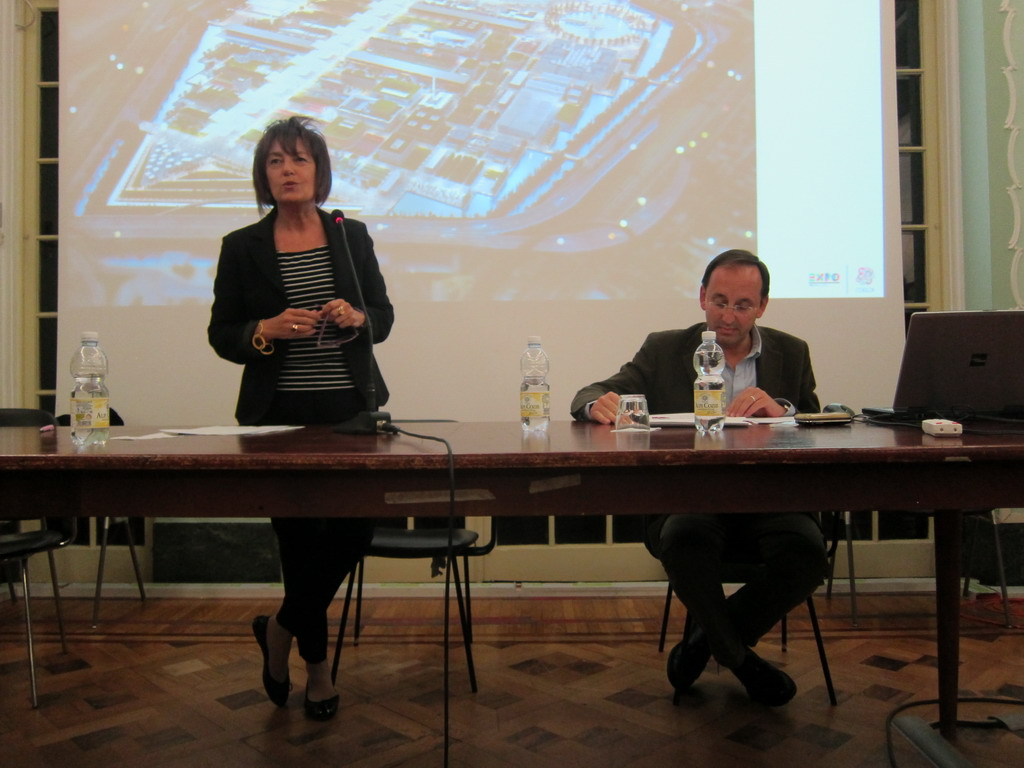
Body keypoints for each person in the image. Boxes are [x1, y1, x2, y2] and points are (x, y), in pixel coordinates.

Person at [570, 249, 827, 707]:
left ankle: (701, 645)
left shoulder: (792, 351)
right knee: (683, 538)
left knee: (808, 554)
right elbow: (592, 392)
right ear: (703, 296)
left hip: (769, 501)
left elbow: (816, 421)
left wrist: (783, 411)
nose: (728, 316)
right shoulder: (665, 348)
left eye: (742, 306)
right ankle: (739, 660)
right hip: (692, 499)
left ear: (763, 306)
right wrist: (596, 405)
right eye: (719, 302)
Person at [208, 115, 394, 721]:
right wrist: (264, 329)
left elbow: (383, 316)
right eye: (275, 161)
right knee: (299, 544)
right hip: (278, 416)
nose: (287, 170)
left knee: (354, 531)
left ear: (319, 171)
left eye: (299, 159)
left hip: (349, 411)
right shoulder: (243, 246)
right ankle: (318, 672)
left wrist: (357, 317)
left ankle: (280, 628)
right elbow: (222, 333)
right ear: (263, 175)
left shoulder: (350, 235)